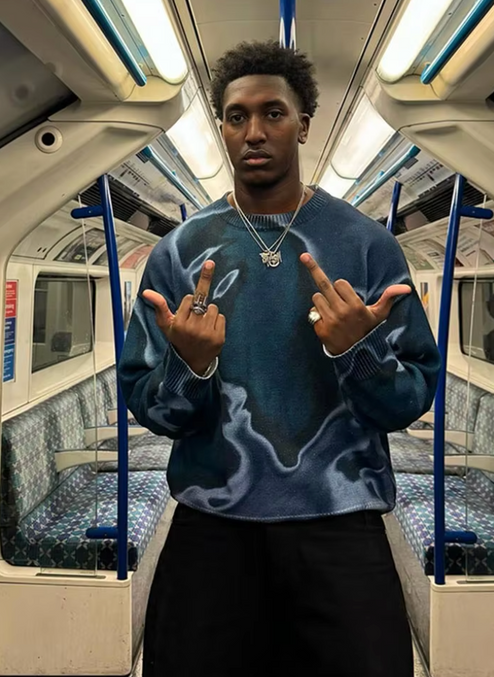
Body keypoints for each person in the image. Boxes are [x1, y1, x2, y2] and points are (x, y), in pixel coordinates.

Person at [119, 40, 440, 677]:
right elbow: (155, 413)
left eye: (273, 113)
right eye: (236, 117)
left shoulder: (366, 246)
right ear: (222, 129)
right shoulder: (180, 253)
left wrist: (357, 352)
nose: (254, 132)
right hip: (213, 523)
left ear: (303, 125)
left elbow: (407, 403)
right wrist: (190, 367)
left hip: (341, 523)